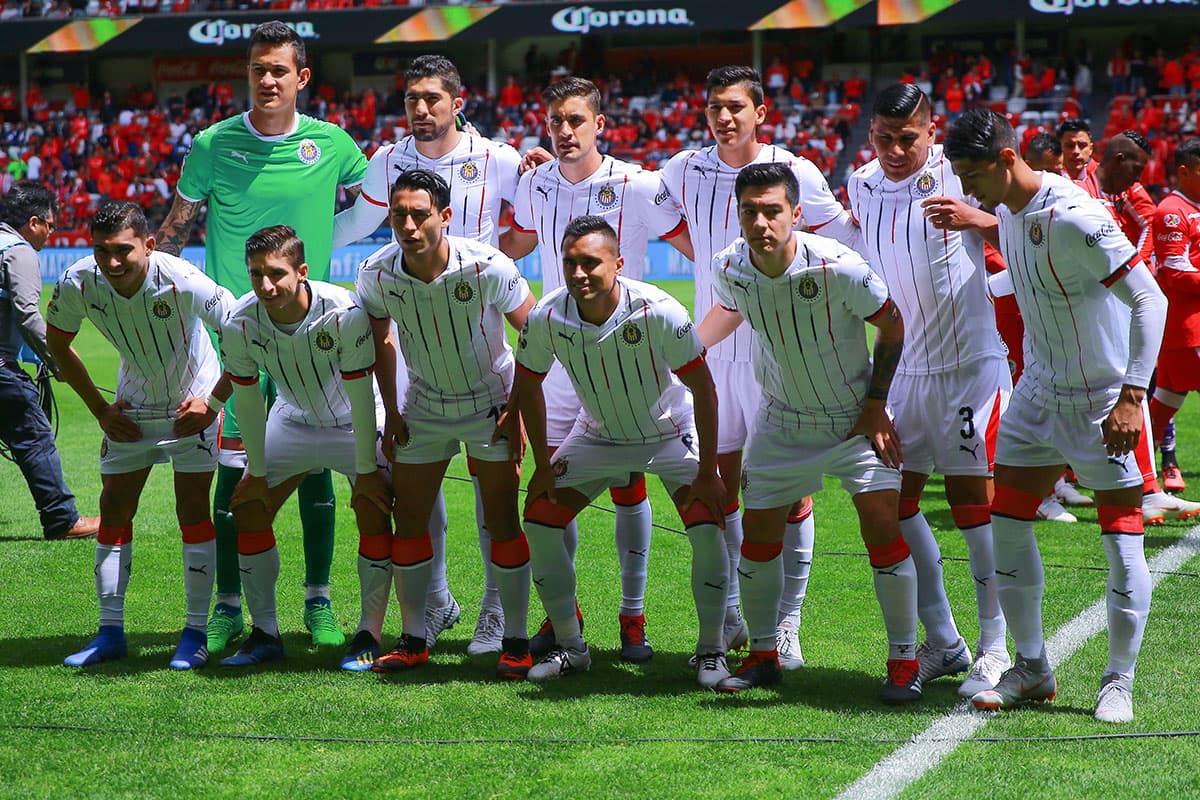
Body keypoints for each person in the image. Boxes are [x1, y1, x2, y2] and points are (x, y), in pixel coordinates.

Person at [945, 108, 1166, 724]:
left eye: (973, 177)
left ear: (1006, 160)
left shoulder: (1078, 216)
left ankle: (1118, 680)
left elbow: (1150, 298)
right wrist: (980, 223)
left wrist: (1131, 396)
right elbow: (1018, 242)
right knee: (1007, 525)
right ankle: (1033, 667)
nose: (968, 190)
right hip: (1037, 395)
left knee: (1121, 542)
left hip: (1102, 400)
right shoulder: (1011, 210)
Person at [156, 20, 369, 656]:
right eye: (257, 69)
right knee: (235, 471)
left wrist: (335, 245)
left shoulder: (332, 144)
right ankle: (227, 604)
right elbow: (173, 231)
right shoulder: (214, 143)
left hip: (315, 333)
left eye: (279, 69)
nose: (267, 79)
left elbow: (377, 199)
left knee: (314, 468)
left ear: (301, 78)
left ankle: (319, 600)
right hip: (239, 336)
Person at [657, 66, 859, 668]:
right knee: (715, 486)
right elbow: (657, 213)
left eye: (735, 106)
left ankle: (786, 624)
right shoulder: (681, 168)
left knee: (787, 492)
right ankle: (736, 616)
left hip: (776, 353)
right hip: (712, 350)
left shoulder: (795, 170)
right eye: (715, 105)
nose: (723, 117)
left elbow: (840, 235)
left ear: (760, 112)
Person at [696, 163, 920, 701]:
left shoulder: (838, 266)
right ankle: (764, 654)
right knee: (759, 536)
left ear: (796, 214)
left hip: (852, 417)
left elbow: (893, 324)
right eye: (750, 210)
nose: (761, 222)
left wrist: (875, 406)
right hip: (781, 420)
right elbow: (730, 309)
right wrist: (687, 349)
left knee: (882, 526)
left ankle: (904, 659)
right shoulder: (729, 267)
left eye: (773, 210)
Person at [334, 55, 528, 657]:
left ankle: (498, 618)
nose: (421, 109)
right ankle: (435, 606)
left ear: (457, 100)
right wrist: (290, 237)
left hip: (481, 335)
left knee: (493, 499)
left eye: (432, 98)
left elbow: (526, 225)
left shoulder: (500, 158)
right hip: (422, 363)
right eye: (412, 98)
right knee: (419, 495)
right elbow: (352, 224)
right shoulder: (387, 161)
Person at [501, 76, 692, 663]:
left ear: (599, 124)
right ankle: (566, 620)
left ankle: (632, 619)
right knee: (555, 486)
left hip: (628, 356)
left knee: (630, 483)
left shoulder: (638, 183)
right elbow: (510, 243)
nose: (563, 132)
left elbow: (695, 242)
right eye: (555, 121)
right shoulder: (534, 183)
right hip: (560, 363)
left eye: (575, 121)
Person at [513, 215, 729, 687]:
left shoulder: (659, 310)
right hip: (598, 435)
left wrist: (709, 469)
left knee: (708, 527)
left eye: (591, 262)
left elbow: (704, 389)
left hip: (668, 434)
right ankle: (573, 647)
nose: (579, 274)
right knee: (540, 518)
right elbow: (527, 385)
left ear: (618, 263)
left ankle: (712, 651)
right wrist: (543, 466)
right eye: (570, 263)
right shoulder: (548, 315)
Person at [847, 84, 1013, 698]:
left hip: (969, 365)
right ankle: (944, 641)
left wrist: (981, 219)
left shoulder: (960, 172)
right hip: (904, 371)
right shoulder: (861, 183)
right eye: (883, 138)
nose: (894, 150)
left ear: (932, 129)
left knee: (973, 501)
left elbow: (1029, 216)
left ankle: (995, 647)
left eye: (907, 138)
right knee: (895, 501)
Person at [356, 170, 535, 679]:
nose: (408, 225)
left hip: (488, 403)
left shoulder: (485, 264)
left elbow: (536, 335)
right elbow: (380, 339)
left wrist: (516, 407)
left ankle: (515, 640)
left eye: (419, 214)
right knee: (409, 523)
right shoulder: (377, 272)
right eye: (399, 215)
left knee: (501, 522)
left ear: (446, 217)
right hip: (425, 406)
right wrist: (391, 411)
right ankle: (413, 640)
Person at [46, 201, 234, 670]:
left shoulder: (183, 279)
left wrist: (212, 401)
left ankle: (194, 633)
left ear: (148, 245)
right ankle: (109, 633)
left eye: (123, 251)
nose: (111, 263)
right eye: (102, 251)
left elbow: (243, 332)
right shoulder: (78, 281)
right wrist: (99, 410)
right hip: (130, 409)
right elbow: (56, 341)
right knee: (113, 509)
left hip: (191, 406)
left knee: (191, 509)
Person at [218, 225, 391, 670]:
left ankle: (368, 633)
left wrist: (367, 470)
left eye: (276, 273)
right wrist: (255, 473)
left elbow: (358, 392)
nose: (265, 285)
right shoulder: (240, 321)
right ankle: (265, 634)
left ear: (302, 271)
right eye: (256, 274)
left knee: (374, 506)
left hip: (352, 422)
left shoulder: (343, 310)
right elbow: (250, 399)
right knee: (248, 506)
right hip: (292, 420)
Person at [1076, 130, 1199, 523]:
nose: (1140, 177)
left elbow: (1145, 227)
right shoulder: (1076, 191)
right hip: (1083, 314)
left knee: (1138, 397)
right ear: (1116, 159)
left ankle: (1147, 488)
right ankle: (1053, 487)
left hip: (1115, 309)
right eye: (1137, 167)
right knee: (1098, 398)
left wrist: (1132, 265)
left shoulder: (1124, 193)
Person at [0, 180, 99, 541]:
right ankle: (62, 519)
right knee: (35, 436)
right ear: (34, 222)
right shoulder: (19, 251)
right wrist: (58, 362)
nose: (52, 233)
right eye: (51, 225)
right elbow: (28, 314)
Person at [1148, 139, 1200, 499]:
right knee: (1158, 411)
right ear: (1184, 171)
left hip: (1185, 332)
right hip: (1187, 331)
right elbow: (1176, 273)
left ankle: (1132, 480)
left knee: (1158, 413)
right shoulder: (1170, 211)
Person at [1057, 118, 1096, 182]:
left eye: (1082, 145)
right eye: (1070, 146)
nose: (1076, 151)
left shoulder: (1104, 176)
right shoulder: (1047, 178)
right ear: (1059, 148)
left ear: (1091, 149)